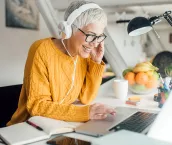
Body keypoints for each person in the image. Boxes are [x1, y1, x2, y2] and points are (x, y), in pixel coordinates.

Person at [7, 0, 115, 127]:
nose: (95, 44)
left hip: (59, 125)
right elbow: (37, 106)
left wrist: (96, 62)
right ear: (69, 29)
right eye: (91, 35)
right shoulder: (41, 49)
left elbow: (86, 98)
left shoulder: (83, 55)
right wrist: (85, 112)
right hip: (27, 128)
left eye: (99, 37)